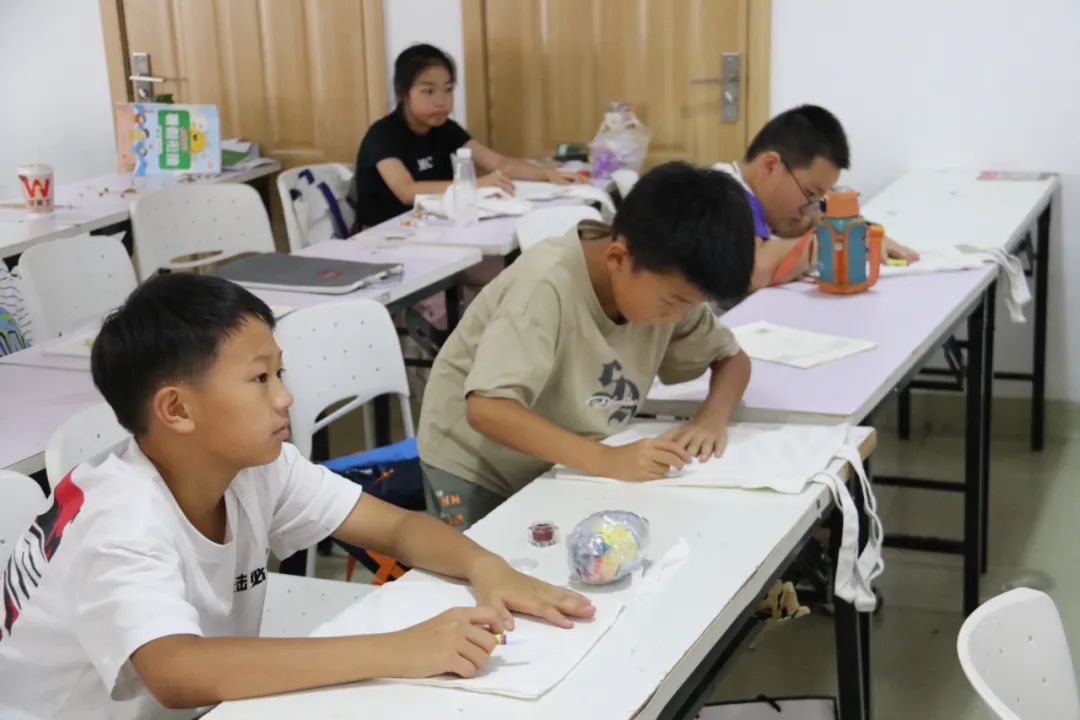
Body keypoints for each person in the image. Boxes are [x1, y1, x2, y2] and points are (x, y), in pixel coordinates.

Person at [0, 273, 594, 719]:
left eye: (279, 373)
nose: (285, 397)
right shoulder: (120, 517)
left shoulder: (255, 466)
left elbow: (396, 528)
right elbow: (176, 671)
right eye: (260, 379)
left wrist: (488, 569)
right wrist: (404, 649)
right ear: (176, 409)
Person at [417, 162, 755, 530]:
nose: (678, 317)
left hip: (563, 462)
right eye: (673, 302)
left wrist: (710, 420)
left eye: (690, 305)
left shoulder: (663, 282)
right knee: (485, 561)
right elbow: (488, 409)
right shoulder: (544, 285)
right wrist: (607, 460)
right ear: (617, 258)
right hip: (478, 467)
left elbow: (733, 360)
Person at [348, 43, 585, 230]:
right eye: (428, 91)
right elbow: (406, 191)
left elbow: (500, 164)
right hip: (382, 236)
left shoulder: (446, 129)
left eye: (448, 89)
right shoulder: (383, 134)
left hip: (430, 227)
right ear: (402, 93)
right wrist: (473, 186)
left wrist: (547, 174)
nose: (441, 101)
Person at [714, 104, 919, 290]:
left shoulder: (763, 205)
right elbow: (752, 270)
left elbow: (810, 220)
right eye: (810, 193)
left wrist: (861, 233)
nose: (809, 208)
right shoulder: (720, 193)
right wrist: (835, 242)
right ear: (770, 166)